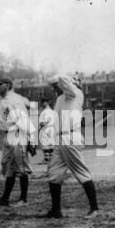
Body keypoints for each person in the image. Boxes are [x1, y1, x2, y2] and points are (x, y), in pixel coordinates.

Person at [44, 74, 99, 219]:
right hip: (60, 139)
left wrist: (62, 77)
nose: (55, 88)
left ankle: (94, 209)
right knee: (54, 174)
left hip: (70, 137)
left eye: (57, 86)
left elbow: (63, 81)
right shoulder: (61, 98)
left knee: (82, 172)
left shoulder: (75, 94)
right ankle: (56, 210)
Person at [0, 77, 36, 208]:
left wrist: (32, 140)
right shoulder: (3, 101)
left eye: (0, 85)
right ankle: (5, 198)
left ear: (7, 86)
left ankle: (23, 198)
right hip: (8, 135)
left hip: (18, 134)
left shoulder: (14, 100)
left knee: (21, 167)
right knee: (8, 167)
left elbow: (24, 120)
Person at [38, 97, 56, 164]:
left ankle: (47, 159)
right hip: (52, 128)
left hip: (46, 128)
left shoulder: (45, 112)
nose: (41, 104)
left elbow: (44, 122)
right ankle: (51, 159)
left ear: (45, 103)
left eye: (42, 103)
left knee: (45, 144)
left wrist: (40, 126)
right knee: (51, 143)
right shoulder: (53, 111)